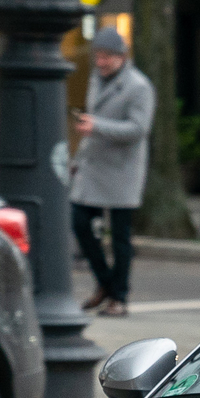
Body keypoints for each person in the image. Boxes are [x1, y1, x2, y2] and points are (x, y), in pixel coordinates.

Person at [69, 26, 154, 315]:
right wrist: (78, 159)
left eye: (107, 57)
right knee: (79, 222)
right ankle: (105, 282)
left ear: (122, 57)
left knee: (120, 237)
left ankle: (119, 296)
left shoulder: (139, 87)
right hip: (93, 167)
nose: (101, 62)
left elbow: (139, 129)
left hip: (122, 171)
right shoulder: (96, 79)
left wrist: (97, 127)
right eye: (98, 56)